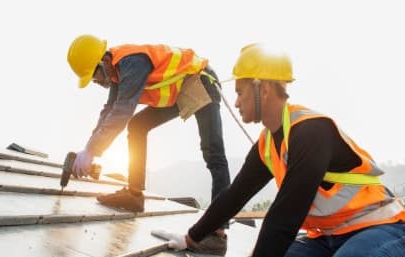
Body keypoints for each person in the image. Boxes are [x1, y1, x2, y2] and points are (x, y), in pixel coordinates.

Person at [151, 43, 405, 257]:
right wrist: (190, 238)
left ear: (263, 88)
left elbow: (284, 217)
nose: (237, 102)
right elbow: (234, 196)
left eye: (240, 92)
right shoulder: (268, 145)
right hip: (328, 237)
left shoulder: (310, 131)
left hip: (380, 228)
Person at [65, 34, 231, 246]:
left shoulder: (132, 62)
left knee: (213, 153)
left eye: (94, 75)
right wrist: (87, 150)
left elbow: (121, 112)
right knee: (138, 126)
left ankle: (217, 233)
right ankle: (134, 195)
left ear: (103, 62)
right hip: (181, 90)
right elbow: (108, 112)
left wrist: (91, 151)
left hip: (200, 81)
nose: (95, 82)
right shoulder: (116, 74)